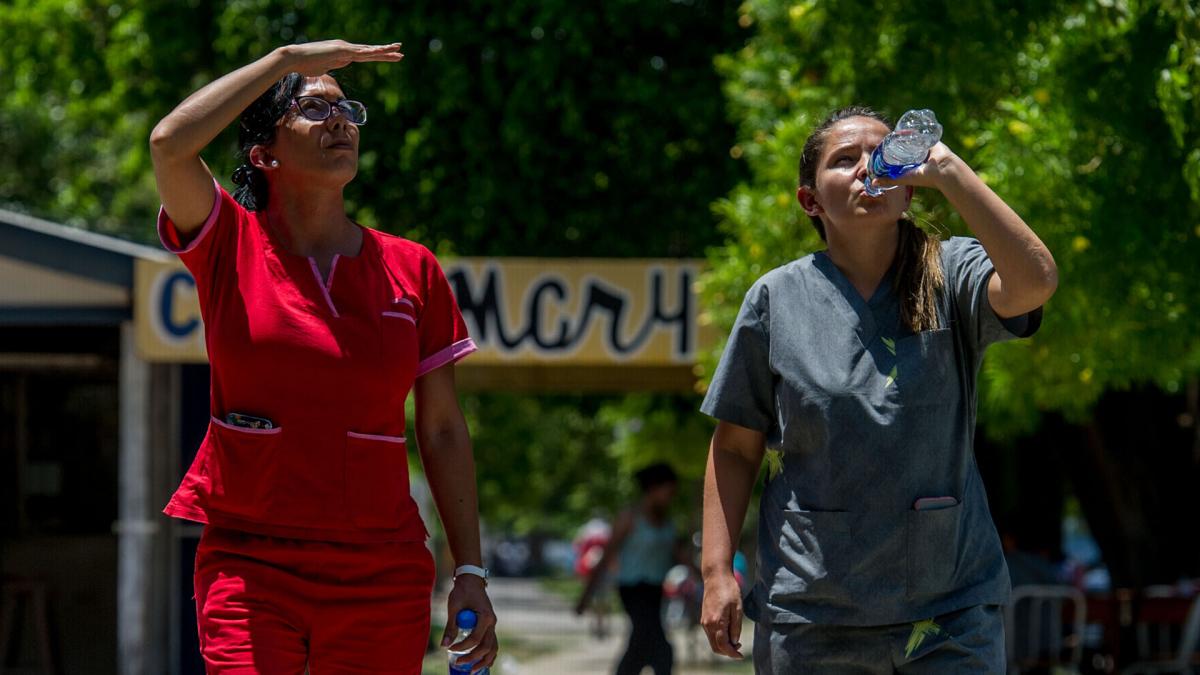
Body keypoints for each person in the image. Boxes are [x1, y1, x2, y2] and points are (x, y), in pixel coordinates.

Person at [149, 40, 497, 673]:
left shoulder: (412, 269)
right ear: (265, 154)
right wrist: (286, 60)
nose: (340, 121)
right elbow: (169, 143)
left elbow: (442, 428)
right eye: (313, 108)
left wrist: (469, 569)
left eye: (348, 110)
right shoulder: (227, 243)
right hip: (251, 563)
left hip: (380, 568)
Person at [698, 106, 1058, 673]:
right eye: (845, 160)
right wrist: (717, 574)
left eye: (883, 152)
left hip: (949, 611)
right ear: (811, 201)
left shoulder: (951, 273)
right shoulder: (775, 301)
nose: (869, 167)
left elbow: (1036, 281)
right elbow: (736, 447)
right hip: (815, 615)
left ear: (908, 187)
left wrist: (949, 171)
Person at [576, 463, 688, 675]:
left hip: (655, 591)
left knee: (643, 643)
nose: (671, 497)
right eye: (668, 492)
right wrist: (586, 596)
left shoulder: (667, 522)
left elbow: (680, 555)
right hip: (633, 589)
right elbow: (607, 555)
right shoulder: (629, 517)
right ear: (653, 489)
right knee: (658, 646)